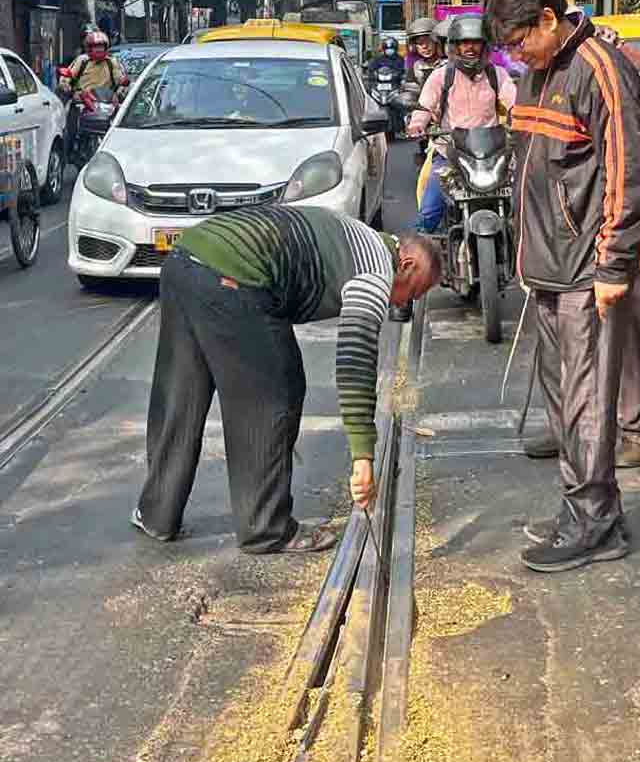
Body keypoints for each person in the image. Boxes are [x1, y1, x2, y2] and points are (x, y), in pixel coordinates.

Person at [131, 205, 441, 554]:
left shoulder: (361, 236)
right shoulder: (375, 273)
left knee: (181, 390)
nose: (404, 304)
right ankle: (267, 529)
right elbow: (355, 361)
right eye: (413, 293)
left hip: (185, 258)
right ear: (407, 265)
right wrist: (363, 456)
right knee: (277, 391)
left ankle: (156, 512)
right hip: (236, 278)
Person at [484, 0, 640, 573]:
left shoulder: (599, 67)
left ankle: (596, 522)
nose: (514, 55)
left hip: (585, 271)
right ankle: (582, 508)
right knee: (562, 401)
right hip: (546, 268)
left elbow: (625, 171)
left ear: (549, 20)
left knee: (586, 402)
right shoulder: (538, 69)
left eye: (519, 41)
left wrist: (614, 264)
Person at [523, 23, 640, 468]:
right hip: (573, 231)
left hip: (626, 221)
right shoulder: (550, 69)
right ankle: (568, 425)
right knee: (569, 339)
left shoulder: (627, 66)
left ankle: (637, 428)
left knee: (634, 328)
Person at [407, 14, 516, 232]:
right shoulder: (441, 76)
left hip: (492, 154)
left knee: (526, 201)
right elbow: (425, 106)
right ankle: (411, 258)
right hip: (450, 153)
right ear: (454, 46)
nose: (470, 48)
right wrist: (417, 124)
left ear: (484, 46)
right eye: (464, 42)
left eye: (475, 42)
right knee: (428, 213)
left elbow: (514, 101)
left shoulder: (498, 74)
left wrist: (525, 119)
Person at [58, 28, 129, 152]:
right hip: (82, 102)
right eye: (95, 47)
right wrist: (66, 86)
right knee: (71, 129)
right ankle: (69, 153)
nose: (98, 50)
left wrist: (122, 90)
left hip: (105, 102)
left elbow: (121, 79)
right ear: (88, 48)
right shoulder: (82, 61)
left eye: (101, 47)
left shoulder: (112, 62)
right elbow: (67, 76)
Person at [407, 17, 445, 87]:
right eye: (420, 43)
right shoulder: (416, 67)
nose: (424, 46)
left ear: (437, 42)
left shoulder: (448, 65)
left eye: (428, 42)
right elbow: (411, 91)